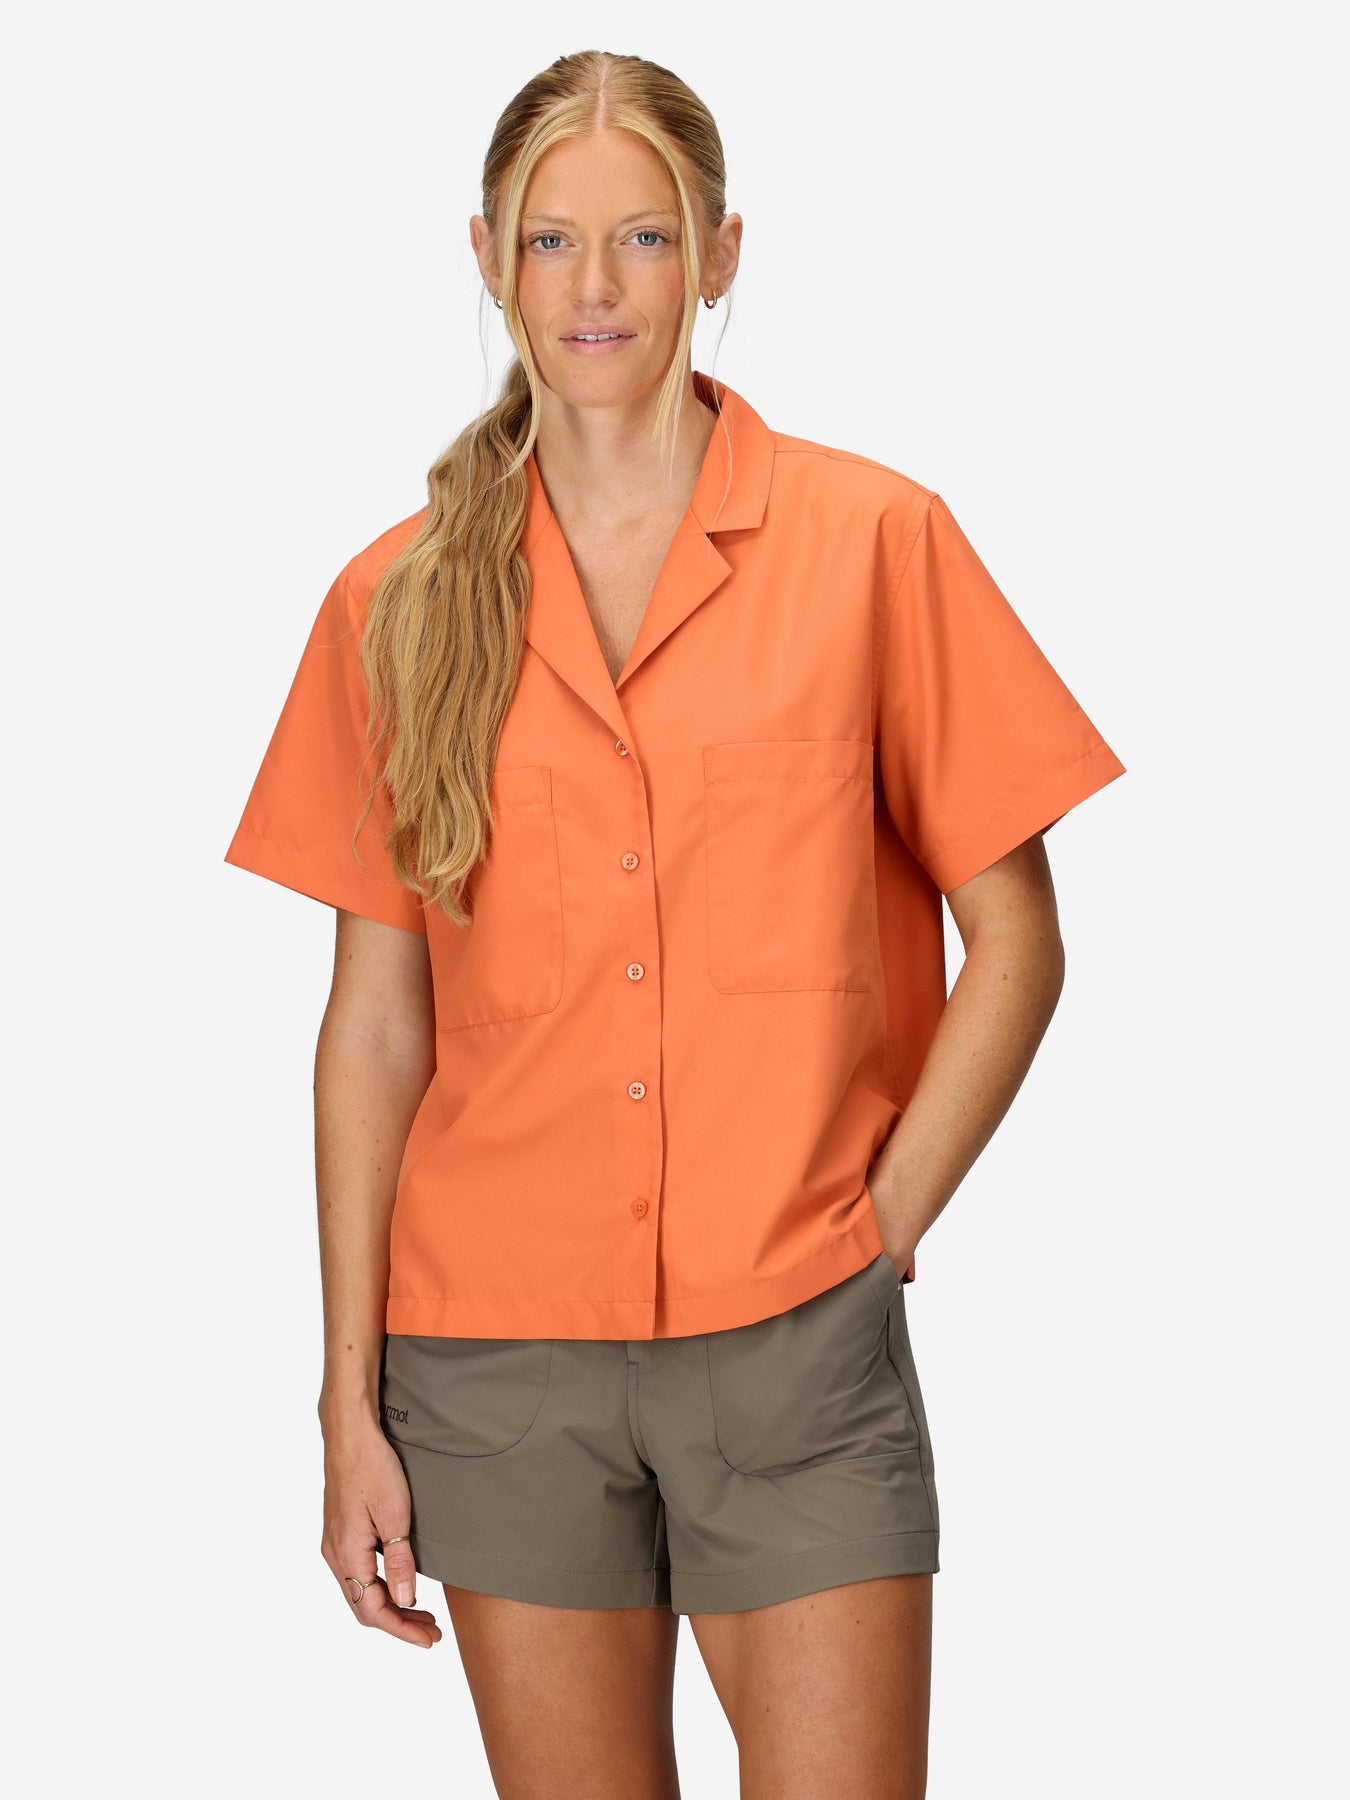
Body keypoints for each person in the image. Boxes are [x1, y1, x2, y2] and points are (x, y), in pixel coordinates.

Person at [223, 48, 1125, 1800]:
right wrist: (343, 1403)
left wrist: (883, 1226)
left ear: (718, 254)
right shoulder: (392, 601)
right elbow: (376, 1023)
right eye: (551, 239)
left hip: (795, 1331)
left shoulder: (874, 541)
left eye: (642, 237)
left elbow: (1016, 940)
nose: (596, 285)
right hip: (495, 1354)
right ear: (486, 256)